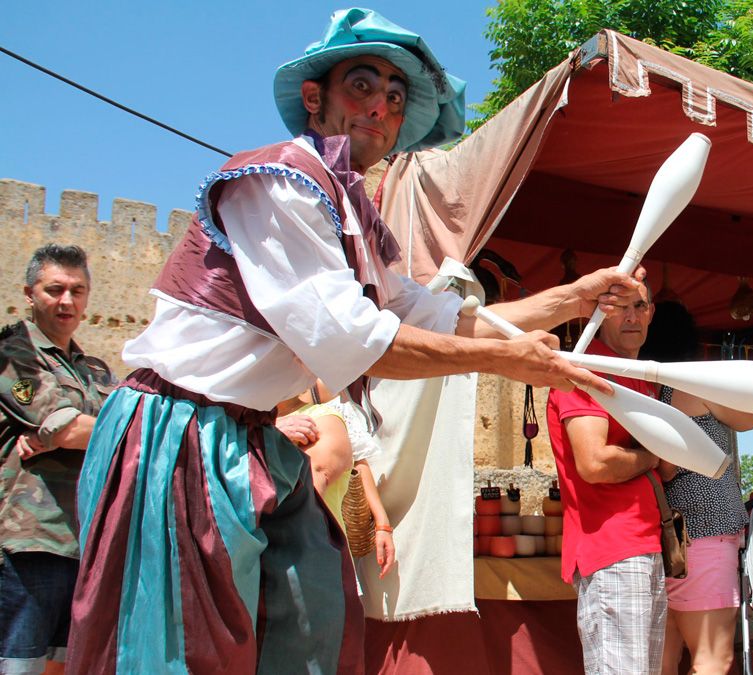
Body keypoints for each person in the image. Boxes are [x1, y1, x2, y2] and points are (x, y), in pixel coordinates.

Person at [66, 9, 642, 674]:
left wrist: (575, 298)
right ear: (316, 99)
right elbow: (358, 341)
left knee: (311, 618)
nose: (380, 108)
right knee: (180, 649)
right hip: (178, 432)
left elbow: (444, 316)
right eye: (361, 87)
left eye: (395, 98)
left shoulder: (353, 218)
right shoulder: (279, 183)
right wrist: (508, 358)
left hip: (251, 439)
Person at [0, 244, 114, 675]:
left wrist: (75, 434)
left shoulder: (97, 372)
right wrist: (102, 432)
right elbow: (64, 427)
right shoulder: (13, 353)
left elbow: (76, 430)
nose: (67, 301)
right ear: (29, 293)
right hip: (30, 542)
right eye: (55, 289)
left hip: (85, 543)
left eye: (77, 290)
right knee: (18, 665)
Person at [547, 282, 666, 674]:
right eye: (620, 308)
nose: (632, 316)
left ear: (651, 312)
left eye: (640, 305)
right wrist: (651, 457)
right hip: (612, 545)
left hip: (642, 544)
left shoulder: (638, 376)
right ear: (599, 314)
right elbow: (594, 463)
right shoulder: (587, 370)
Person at [640, 300, 753, 675]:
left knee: (663, 659)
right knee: (712, 658)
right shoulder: (693, 385)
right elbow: (750, 419)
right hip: (708, 531)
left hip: (670, 534)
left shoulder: (648, 392)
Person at [278, 381, 395, 579]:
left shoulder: (322, 409)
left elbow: (357, 460)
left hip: (313, 550)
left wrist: (382, 524)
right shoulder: (239, 419)